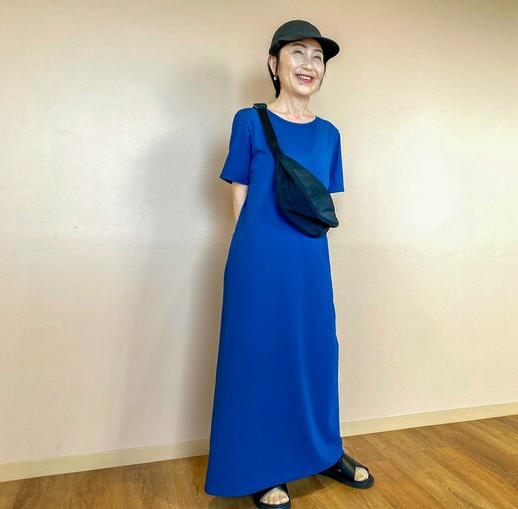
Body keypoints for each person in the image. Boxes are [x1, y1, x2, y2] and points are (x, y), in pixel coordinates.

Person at [204, 20, 374, 509]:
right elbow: (240, 194)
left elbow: (319, 204)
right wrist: (251, 254)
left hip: (310, 262)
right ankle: (262, 468)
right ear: (274, 63)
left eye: (318, 57)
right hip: (258, 260)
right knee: (259, 357)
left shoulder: (329, 134)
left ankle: (324, 451)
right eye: (297, 53)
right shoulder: (249, 121)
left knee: (317, 354)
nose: (309, 64)